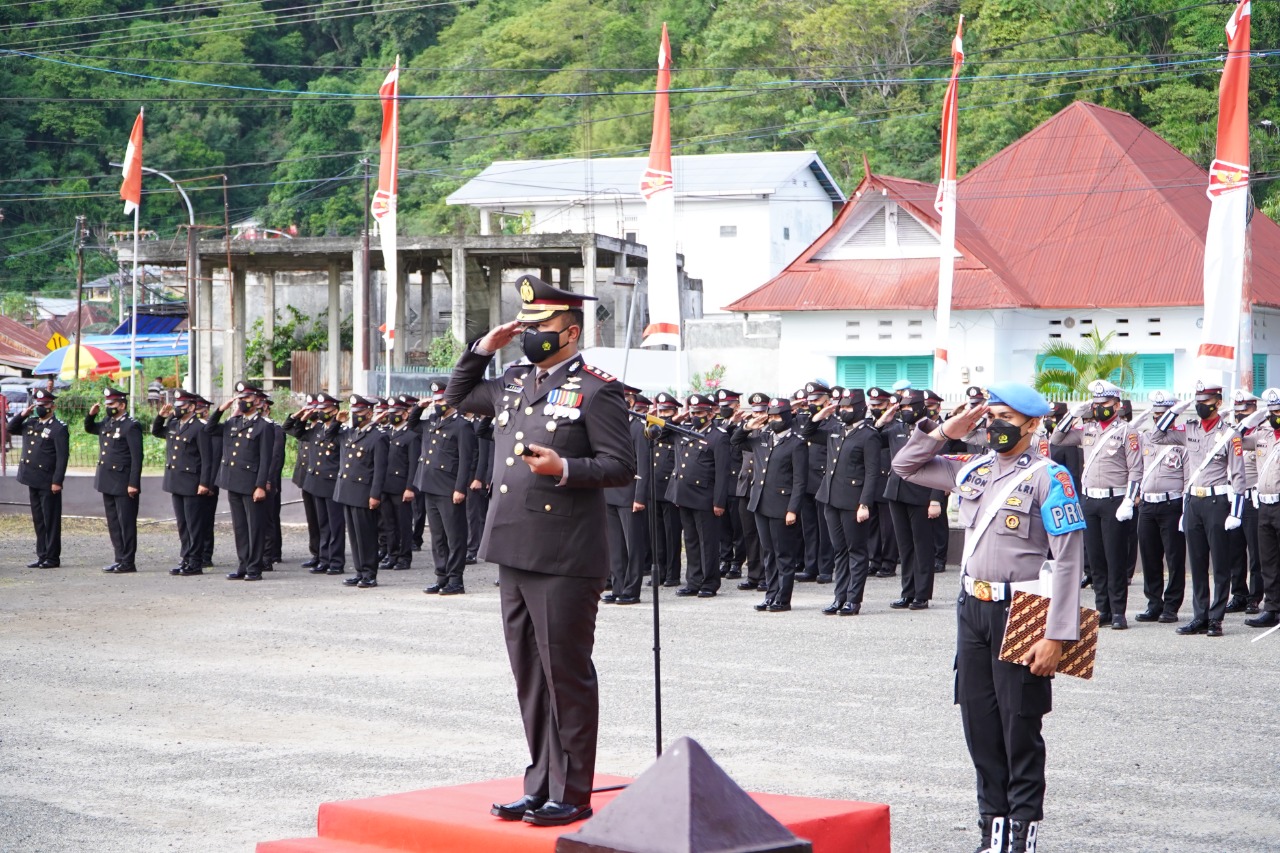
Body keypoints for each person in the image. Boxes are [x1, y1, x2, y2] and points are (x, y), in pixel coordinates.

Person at [445, 273, 634, 828]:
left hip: (565, 555)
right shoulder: (511, 381)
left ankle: (572, 791)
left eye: (541, 326)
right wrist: (483, 348)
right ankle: (540, 784)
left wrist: (566, 467)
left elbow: (622, 468)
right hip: (513, 545)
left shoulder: (598, 391)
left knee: (564, 673)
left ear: (570, 332)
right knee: (529, 673)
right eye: (525, 325)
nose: (529, 334)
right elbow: (457, 398)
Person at [893, 382, 1085, 853]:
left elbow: (1067, 559)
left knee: (1019, 725)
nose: (995, 425)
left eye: (1006, 417)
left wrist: (1058, 635)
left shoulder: (1049, 476)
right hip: (971, 608)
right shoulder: (974, 469)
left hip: (1021, 609)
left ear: (1033, 424)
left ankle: (1021, 836)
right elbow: (905, 466)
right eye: (990, 415)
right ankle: (991, 831)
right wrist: (943, 429)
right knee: (979, 722)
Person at [1150, 380, 1247, 637]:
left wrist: (1236, 513)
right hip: (1193, 502)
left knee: (1220, 564)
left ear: (1218, 402)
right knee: (1198, 563)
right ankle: (1200, 616)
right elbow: (1157, 435)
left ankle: (1216, 619)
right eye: (1197, 401)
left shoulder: (1230, 433)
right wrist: (1175, 410)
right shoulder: (1188, 428)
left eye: (1205, 401)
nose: (1200, 406)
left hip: (1217, 503)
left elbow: (1238, 476)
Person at [1049, 380, 1142, 628]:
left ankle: (1119, 611)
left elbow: (1136, 470)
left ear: (1117, 405)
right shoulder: (1088, 430)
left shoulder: (1127, 432)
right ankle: (1103, 609)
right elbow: (1057, 438)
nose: (1100, 408)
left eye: (1105, 404)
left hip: (1115, 500)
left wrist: (1129, 501)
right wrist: (1073, 414)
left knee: (1115, 558)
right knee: (1096, 559)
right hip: (1090, 500)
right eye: (1096, 404)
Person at [732, 397, 807, 612]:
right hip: (760, 503)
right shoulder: (763, 437)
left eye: (776, 417)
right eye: (770, 416)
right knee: (768, 552)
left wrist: (793, 509)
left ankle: (783, 598)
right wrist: (748, 426)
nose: (773, 421)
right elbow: (735, 441)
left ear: (786, 417)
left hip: (782, 506)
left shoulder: (796, 442)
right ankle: (770, 594)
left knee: (783, 554)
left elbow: (800, 481)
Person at [812, 388, 882, 615]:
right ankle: (839, 597)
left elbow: (872, 473)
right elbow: (807, 433)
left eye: (848, 407)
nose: (844, 411)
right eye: (841, 407)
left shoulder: (869, 435)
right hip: (831, 498)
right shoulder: (836, 429)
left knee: (856, 551)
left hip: (853, 501)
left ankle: (853, 599)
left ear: (861, 408)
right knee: (839, 550)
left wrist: (865, 504)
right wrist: (822, 414)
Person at [877, 388, 945, 610]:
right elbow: (874, 440)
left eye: (910, 407)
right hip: (896, 491)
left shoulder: (933, 430)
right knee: (904, 545)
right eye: (903, 407)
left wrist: (936, 499)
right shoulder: (895, 428)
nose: (906, 410)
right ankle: (907, 592)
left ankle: (922, 593)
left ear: (920, 407)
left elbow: (941, 465)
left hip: (921, 493)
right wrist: (882, 420)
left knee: (922, 545)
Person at [204, 382, 274, 582]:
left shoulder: (264, 426)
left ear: (257, 401)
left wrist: (261, 485)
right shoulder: (233, 422)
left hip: (251, 484)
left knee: (254, 527)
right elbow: (209, 429)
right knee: (240, 527)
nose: (243, 402)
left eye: (247, 398)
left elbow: (265, 459)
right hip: (233, 481)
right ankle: (243, 564)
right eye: (240, 398)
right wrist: (220, 410)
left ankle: (255, 567)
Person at [415, 382, 477, 595]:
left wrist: (460, 488)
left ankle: (455, 580)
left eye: (441, 400)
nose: (437, 403)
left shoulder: (462, 426)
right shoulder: (432, 421)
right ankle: (441, 577)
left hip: (449, 488)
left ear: (451, 400)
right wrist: (420, 407)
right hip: (430, 486)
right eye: (435, 399)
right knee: (438, 537)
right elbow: (412, 424)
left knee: (455, 537)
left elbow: (466, 460)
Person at [1134, 391, 1186, 624]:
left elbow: (1188, 476)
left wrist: (1186, 508)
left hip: (1172, 503)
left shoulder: (1183, 439)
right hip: (1148, 504)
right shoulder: (1146, 437)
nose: (1158, 419)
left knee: (1174, 558)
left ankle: (1172, 605)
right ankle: (1154, 603)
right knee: (1149, 556)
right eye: (1155, 415)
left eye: (1163, 414)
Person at [151, 389, 213, 576]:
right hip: (176, 480)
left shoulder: (199, 427)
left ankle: (196, 561)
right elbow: (156, 432)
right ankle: (185, 557)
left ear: (192, 407)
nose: (177, 409)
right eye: (176, 406)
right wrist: (160, 417)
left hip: (192, 482)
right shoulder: (174, 424)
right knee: (182, 523)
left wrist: (205, 483)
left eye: (181, 406)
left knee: (194, 523)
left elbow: (207, 459)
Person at [8, 387, 69, 568]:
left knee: (50, 519)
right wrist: (23, 414)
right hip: (31, 478)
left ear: (53, 406)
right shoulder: (32, 423)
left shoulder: (58, 428)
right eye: (38, 404)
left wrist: (57, 481)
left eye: (44, 405)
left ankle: (52, 557)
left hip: (48, 481)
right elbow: (11, 428)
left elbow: (62, 457)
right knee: (38, 519)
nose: (41, 408)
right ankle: (42, 554)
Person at [332, 395, 388, 589]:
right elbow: (328, 438)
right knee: (355, 536)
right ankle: (359, 571)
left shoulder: (378, 436)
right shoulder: (349, 432)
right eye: (353, 413)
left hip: (364, 492)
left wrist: (375, 495)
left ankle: (369, 573)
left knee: (366, 535)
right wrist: (337, 422)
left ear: (370, 413)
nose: (355, 416)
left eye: (359, 413)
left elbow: (380, 470)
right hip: (347, 490)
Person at [86, 387, 143, 574]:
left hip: (123, 481)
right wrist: (90, 416)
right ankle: (119, 558)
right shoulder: (107, 422)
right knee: (113, 522)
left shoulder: (131, 425)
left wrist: (133, 483)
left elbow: (137, 457)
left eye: (111, 404)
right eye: (106, 404)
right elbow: (90, 428)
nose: (108, 407)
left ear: (122, 405)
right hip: (107, 479)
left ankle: (128, 561)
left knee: (126, 522)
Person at [794, 381, 836, 583]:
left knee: (825, 527)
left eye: (817, 400)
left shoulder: (835, 423)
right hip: (805, 481)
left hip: (823, 480)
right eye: (810, 400)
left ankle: (826, 567)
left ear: (828, 401)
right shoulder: (806, 422)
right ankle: (811, 566)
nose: (812, 404)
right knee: (809, 527)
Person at [1246, 387, 1280, 629]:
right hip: (1265, 505)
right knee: (1268, 560)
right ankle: (1272, 608)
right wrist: (1254, 417)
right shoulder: (1262, 435)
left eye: (1277, 410)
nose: (1274, 415)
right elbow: (1235, 437)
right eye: (1271, 411)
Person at [1227, 390, 1263, 614]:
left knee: (1256, 552)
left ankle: (1255, 597)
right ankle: (1238, 593)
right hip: (1232, 498)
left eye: (1245, 411)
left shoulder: (1261, 434)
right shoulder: (1229, 434)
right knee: (1234, 550)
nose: (1240, 415)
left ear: (1254, 410)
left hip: (1252, 498)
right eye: (1237, 411)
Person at [647, 392, 684, 587]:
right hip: (654, 488)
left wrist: (669, 421)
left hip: (670, 490)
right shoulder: (652, 429)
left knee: (672, 534)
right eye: (661, 411)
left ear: (676, 412)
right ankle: (658, 572)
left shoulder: (676, 429)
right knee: (656, 535)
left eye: (668, 411)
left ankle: (672, 574)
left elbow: (667, 430)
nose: (664, 415)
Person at [382, 395, 421, 572]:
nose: (392, 416)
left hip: (401, 487)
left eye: (396, 413)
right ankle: (392, 555)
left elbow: (413, 464)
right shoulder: (386, 434)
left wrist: (410, 488)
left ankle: (404, 557)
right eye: (390, 413)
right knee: (389, 524)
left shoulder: (411, 435)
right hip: (385, 486)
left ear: (405, 415)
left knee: (403, 524)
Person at [285, 395, 323, 570]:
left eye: (313, 409)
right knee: (312, 519)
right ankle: (315, 553)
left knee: (322, 519)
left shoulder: (324, 429)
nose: (310, 412)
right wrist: (297, 416)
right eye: (308, 408)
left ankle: (324, 553)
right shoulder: (306, 428)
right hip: (305, 478)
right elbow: (287, 428)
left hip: (320, 478)